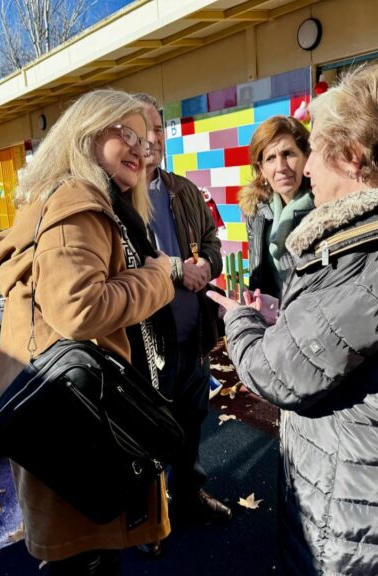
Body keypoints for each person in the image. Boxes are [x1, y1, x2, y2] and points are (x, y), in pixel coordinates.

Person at [208, 64, 378, 575]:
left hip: (367, 520)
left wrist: (241, 320)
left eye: (313, 150)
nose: (307, 167)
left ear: (353, 157)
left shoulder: (373, 255)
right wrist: (292, 315)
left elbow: (278, 372)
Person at [0, 89, 175, 576]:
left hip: (63, 413)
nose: (141, 148)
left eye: (147, 140)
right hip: (78, 415)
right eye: (127, 133)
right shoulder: (79, 202)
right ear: (86, 134)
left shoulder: (71, 199)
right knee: (86, 557)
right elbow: (79, 308)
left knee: (80, 553)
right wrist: (158, 277)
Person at [133, 93, 231, 529]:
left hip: (192, 336)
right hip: (143, 344)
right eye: (142, 129)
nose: (153, 138)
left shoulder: (184, 190)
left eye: (158, 128)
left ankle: (188, 495)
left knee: (192, 422)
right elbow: (124, 266)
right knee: (144, 431)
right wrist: (178, 270)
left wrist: (208, 263)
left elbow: (212, 241)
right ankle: (147, 515)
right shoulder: (113, 197)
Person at [239, 116, 313, 298]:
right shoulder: (257, 213)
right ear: (262, 170)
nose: (281, 167)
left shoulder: (325, 210)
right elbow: (258, 279)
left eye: (288, 154)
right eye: (270, 158)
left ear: (306, 157)